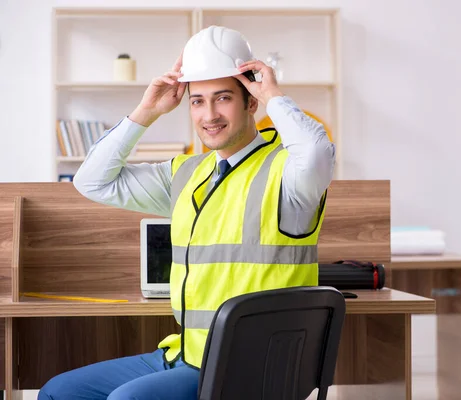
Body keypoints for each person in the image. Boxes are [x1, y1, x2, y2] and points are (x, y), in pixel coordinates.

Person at [38, 25, 335, 400]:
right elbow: (91, 181)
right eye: (198, 101)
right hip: (188, 356)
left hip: (250, 366)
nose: (209, 114)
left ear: (251, 101)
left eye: (223, 98)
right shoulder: (187, 174)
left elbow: (317, 153)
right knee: (58, 392)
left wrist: (275, 94)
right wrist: (147, 111)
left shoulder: (289, 175)